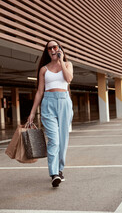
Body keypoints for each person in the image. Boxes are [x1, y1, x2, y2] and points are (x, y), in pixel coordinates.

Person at [28, 40, 73, 187]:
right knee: (54, 139)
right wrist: (32, 113)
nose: (53, 49)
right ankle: (54, 173)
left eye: (55, 47)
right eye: (50, 48)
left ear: (60, 48)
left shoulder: (67, 64)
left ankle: (60, 170)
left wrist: (61, 60)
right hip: (48, 103)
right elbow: (40, 92)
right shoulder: (44, 69)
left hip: (64, 102)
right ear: (47, 51)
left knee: (63, 139)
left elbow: (69, 79)